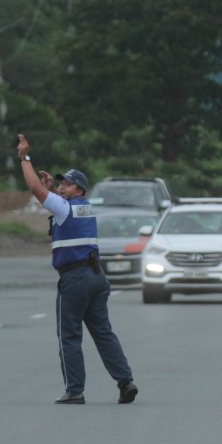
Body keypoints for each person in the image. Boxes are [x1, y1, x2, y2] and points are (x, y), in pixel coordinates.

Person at [16, 134, 138, 405]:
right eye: (60, 182)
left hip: (75, 278)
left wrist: (25, 158)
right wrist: (53, 191)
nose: (62, 185)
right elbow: (50, 199)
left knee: (69, 335)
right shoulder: (84, 208)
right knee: (103, 332)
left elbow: (37, 191)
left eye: (67, 184)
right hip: (96, 276)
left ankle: (75, 390)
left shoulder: (64, 208)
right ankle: (125, 381)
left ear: (79, 190)